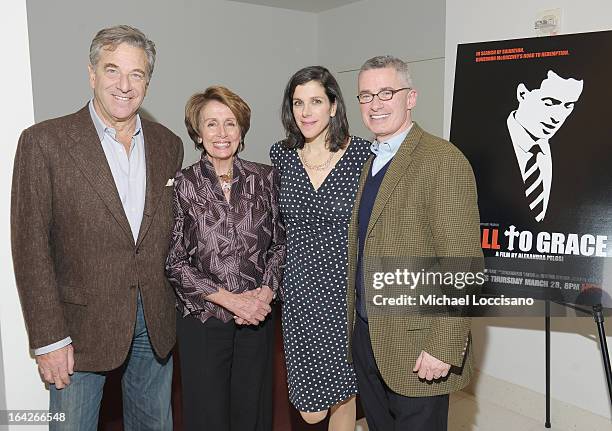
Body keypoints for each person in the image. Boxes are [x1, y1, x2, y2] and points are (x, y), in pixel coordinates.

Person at [11, 25, 183, 430]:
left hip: (154, 326)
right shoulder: (44, 142)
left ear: (148, 81)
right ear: (92, 74)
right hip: (76, 334)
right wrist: (49, 339)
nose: (124, 85)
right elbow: (30, 246)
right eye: (112, 71)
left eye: (136, 74)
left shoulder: (167, 144)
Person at [346, 55, 482, 430]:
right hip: (368, 338)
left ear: (411, 97)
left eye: (387, 92)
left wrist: (444, 344)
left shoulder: (443, 161)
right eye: (366, 95)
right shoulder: (367, 161)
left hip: (420, 345)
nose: (375, 104)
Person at [166, 86, 285, 431]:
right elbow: (174, 262)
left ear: (242, 130)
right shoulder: (182, 184)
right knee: (208, 417)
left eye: (230, 123)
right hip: (205, 319)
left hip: (257, 318)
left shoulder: (265, 178)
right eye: (212, 124)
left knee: (255, 414)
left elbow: (280, 244)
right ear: (198, 133)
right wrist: (232, 301)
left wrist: (264, 293)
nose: (222, 133)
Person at [269, 66, 370, 430]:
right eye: (298, 103)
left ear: (333, 106)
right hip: (300, 293)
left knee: (345, 391)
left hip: (345, 291)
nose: (306, 112)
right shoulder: (281, 156)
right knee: (311, 408)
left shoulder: (363, 155)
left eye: (315, 101)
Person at [507, 70, 583, 222]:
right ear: (522, 94)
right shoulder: (476, 142)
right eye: (549, 103)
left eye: (568, 106)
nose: (558, 117)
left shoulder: (574, 151)